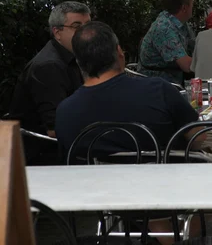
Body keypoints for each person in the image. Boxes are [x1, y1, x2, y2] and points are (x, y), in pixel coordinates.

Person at [55, 21, 201, 244]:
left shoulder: (65, 112)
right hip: (171, 194)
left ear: (79, 63)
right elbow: (198, 138)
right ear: (119, 53)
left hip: (105, 201)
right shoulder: (158, 90)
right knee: (205, 172)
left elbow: (72, 168)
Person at [7, 1, 91, 164]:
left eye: (88, 26)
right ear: (57, 32)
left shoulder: (71, 57)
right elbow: (54, 129)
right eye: (77, 26)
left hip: (62, 146)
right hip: (42, 157)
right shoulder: (49, 66)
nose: (85, 33)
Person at [139, 0, 195, 85]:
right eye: (192, 3)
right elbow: (187, 65)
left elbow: (195, 48)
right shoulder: (164, 28)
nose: (193, 6)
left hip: (173, 80)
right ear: (184, 8)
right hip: (155, 85)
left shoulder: (181, 23)